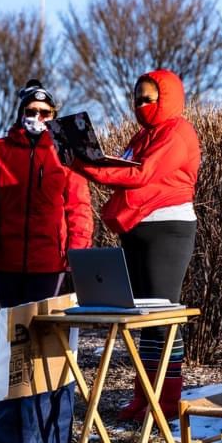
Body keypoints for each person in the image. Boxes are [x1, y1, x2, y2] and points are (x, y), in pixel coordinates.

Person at [71, 69, 200, 421]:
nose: (141, 105)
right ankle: (144, 395)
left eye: (148, 98)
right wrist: (90, 159)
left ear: (167, 97)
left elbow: (140, 175)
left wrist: (89, 168)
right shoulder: (144, 136)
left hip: (167, 230)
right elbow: (129, 167)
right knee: (143, 318)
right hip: (136, 228)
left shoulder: (177, 132)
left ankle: (168, 400)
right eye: (137, 99)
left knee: (163, 315)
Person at [0, 79, 93, 308]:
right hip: (6, 259)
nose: (38, 117)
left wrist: (77, 250)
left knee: (42, 328)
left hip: (50, 261)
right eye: (31, 111)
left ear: (53, 115)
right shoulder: (1, 150)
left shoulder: (65, 152)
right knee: (12, 330)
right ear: (21, 113)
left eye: (45, 113)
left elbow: (79, 206)